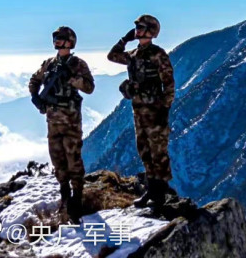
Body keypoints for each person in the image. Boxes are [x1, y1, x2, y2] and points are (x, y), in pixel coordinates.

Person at [107, 14, 176, 207]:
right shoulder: (133, 55)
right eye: (136, 26)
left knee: (158, 151)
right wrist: (124, 40)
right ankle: (151, 189)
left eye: (141, 27)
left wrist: (164, 109)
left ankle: (160, 194)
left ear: (151, 31)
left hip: (155, 111)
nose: (137, 29)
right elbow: (112, 56)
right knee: (144, 150)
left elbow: (169, 84)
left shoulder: (158, 54)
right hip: (138, 110)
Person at [29, 26, 95, 222]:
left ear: (69, 42)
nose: (56, 41)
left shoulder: (77, 64)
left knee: (73, 156)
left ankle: (77, 197)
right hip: (52, 118)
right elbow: (35, 79)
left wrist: (73, 79)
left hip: (71, 119)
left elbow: (89, 87)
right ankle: (64, 193)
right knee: (57, 157)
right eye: (55, 38)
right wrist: (35, 96)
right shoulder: (49, 64)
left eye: (60, 38)